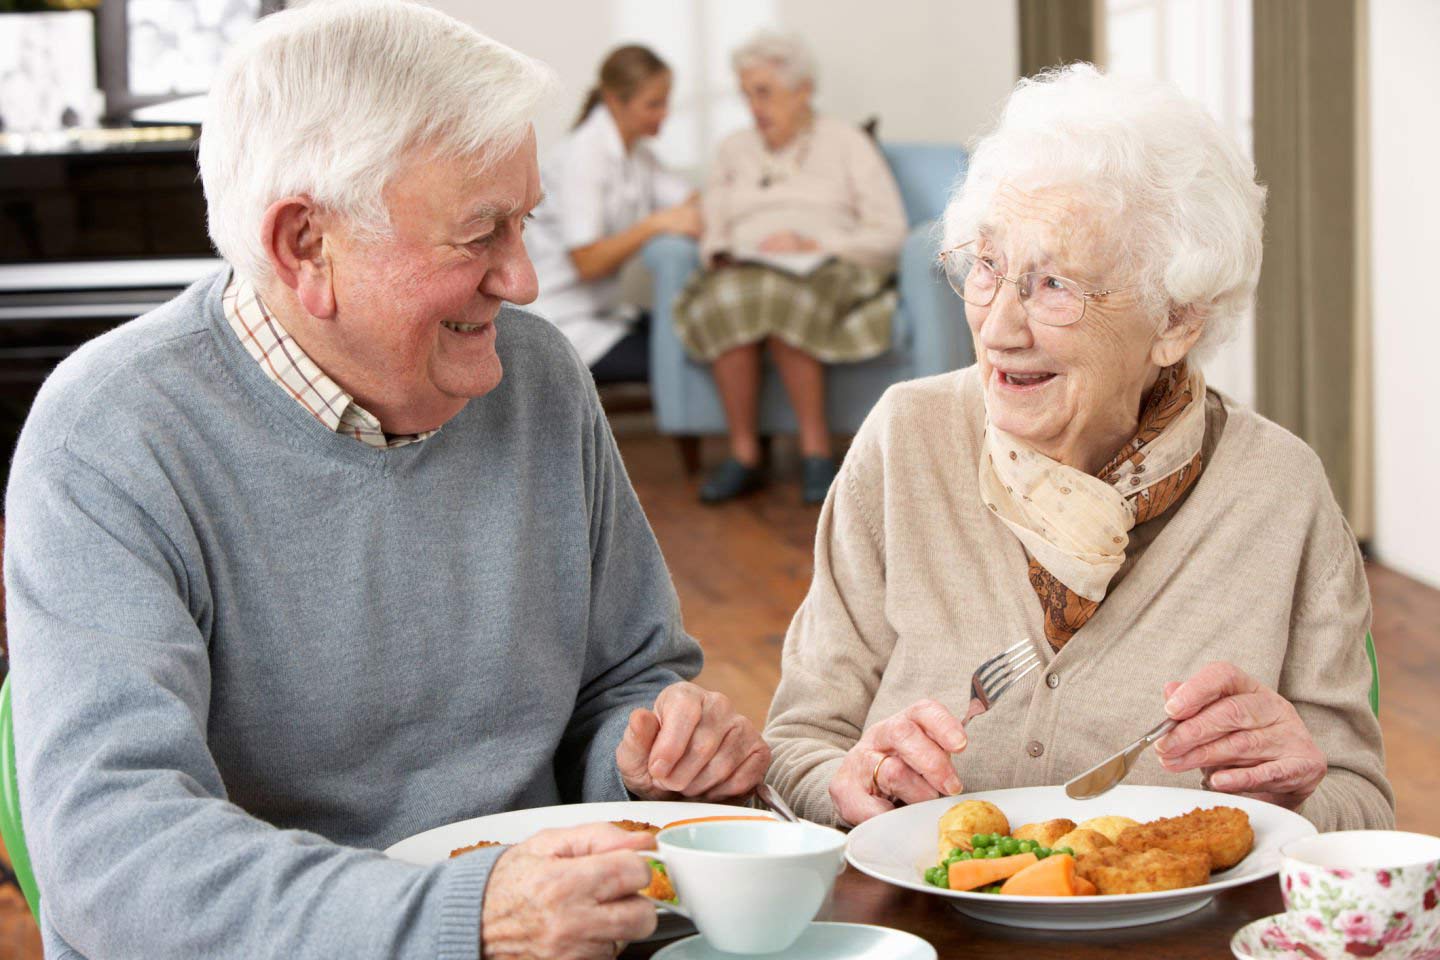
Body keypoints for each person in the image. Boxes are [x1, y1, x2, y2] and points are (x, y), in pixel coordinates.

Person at [3, 4, 769, 959]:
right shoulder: (110, 433)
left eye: (524, 222)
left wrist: (650, 760)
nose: (523, 279)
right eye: (480, 234)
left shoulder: (539, 376)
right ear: (305, 246)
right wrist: (462, 919)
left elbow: (626, 678)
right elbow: (112, 854)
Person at [762, 64, 1393, 832]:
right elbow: (796, 745)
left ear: (1176, 321)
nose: (999, 328)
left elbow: (1362, 806)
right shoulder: (908, 440)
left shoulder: (1278, 491)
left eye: (1054, 284)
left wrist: (1290, 803)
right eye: (987, 267)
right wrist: (845, 784)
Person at [674, 32, 907, 505]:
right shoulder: (732, 149)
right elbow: (713, 229)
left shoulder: (846, 143)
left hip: (828, 267)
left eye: (764, 92)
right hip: (745, 269)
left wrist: (817, 244)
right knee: (732, 296)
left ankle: (815, 452)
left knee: (780, 294)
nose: (753, 107)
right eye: (746, 94)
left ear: (803, 90)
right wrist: (725, 252)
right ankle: (744, 456)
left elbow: (890, 231)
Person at [526, 44, 700, 384]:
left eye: (666, 102)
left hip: (603, 313)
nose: (664, 113)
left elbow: (691, 201)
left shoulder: (638, 156)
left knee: (697, 335)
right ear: (615, 100)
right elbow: (587, 262)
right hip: (562, 320)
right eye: (654, 104)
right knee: (681, 358)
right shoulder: (583, 155)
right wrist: (654, 225)